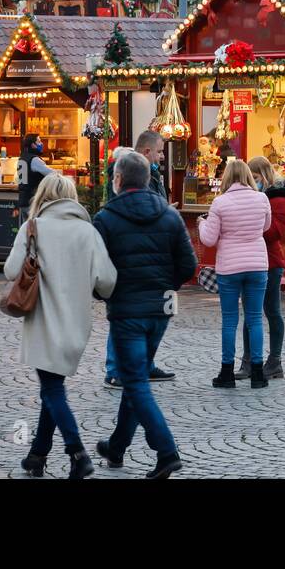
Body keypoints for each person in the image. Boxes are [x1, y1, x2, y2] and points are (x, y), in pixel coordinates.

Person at [92, 151, 197, 479]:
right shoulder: (169, 215)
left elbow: (96, 272)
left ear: (119, 180)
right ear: (149, 179)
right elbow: (189, 265)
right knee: (135, 378)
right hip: (161, 310)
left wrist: (104, 294)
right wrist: (166, 285)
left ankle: (166, 451)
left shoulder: (105, 219)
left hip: (126, 312)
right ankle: (117, 447)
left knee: (135, 381)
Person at [8, 173, 117, 479]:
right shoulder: (87, 232)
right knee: (52, 388)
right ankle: (37, 455)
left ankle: (77, 452)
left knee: (52, 389)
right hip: (75, 326)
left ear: (42, 196)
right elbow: (107, 282)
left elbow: (10, 271)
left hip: (43, 324)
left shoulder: (34, 228)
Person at [104, 132, 176, 387]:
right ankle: (114, 370)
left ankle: (145, 364)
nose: (162, 155)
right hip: (128, 256)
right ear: (146, 152)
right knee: (122, 315)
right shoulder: (124, 172)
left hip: (148, 255)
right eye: (159, 151)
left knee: (151, 314)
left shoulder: (151, 173)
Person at [198, 160, 272, 388]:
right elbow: (265, 227)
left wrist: (202, 223)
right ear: (249, 176)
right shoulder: (262, 199)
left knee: (230, 320)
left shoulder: (220, 203)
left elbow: (209, 239)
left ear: (227, 178)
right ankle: (258, 373)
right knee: (255, 319)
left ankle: (227, 372)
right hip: (257, 264)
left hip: (229, 267)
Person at [243, 156, 285, 380]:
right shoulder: (256, 196)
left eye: (255, 178)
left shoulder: (280, 200)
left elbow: (275, 232)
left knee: (272, 311)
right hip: (251, 260)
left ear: (263, 176)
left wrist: (250, 225)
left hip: (271, 262)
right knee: (250, 314)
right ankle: (248, 361)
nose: (254, 183)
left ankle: (275, 361)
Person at [16, 133, 52, 220]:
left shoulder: (22, 158)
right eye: (39, 141)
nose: (41, 144)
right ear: (33, 145)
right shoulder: (34, 160)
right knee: (36, 230)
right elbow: (52, 173)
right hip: (33, 201)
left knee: (27, 229)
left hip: (23, 200)